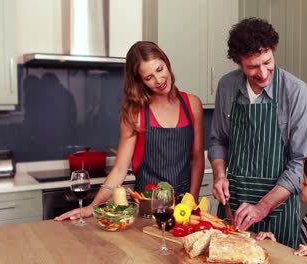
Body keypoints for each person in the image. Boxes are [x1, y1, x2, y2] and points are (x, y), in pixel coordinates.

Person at [55, 41, 204, 221]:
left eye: (159, 69)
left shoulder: (192, 104)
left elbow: (197, 158)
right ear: (140, 81)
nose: (159, 80)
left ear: (166, 62)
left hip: (183, 208)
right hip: (148, 210)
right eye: (148, 77)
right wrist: (92, 207)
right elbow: (119, 169)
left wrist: (192, 202)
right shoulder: (135, 114)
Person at [208, 17, 307, 248]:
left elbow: (300, 163)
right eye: (253, 67)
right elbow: (218, 140)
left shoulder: (296, 92)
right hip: (232, 205)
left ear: (273, 51)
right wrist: (219, 175)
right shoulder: (227, 86)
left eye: (267, 62)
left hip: (278, 211)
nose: (263, 73)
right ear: (239, 63)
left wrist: (262, 207)